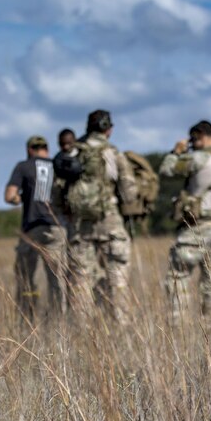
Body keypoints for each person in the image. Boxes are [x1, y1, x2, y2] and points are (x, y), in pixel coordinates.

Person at [159, 120, 211, 326]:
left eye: (193, 139)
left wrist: (176, 152)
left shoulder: (199, 158)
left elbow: (167, 170)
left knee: (178, 276)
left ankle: (178, 329)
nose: (192, 144)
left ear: (201, 136)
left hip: (198, 226)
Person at [66, 109, 137, 320]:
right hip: (111, 224)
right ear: (108, 129)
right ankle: (120, 327)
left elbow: (58, 192)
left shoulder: (73, 153)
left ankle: (83, 333)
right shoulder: (113, 153)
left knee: (80, 281)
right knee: (118, 280)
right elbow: (129, 193)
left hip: (80, 227)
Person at [5, 135, 67, 319]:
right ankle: (59, 320)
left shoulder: (23, 166)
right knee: (57, 279)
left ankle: (27, 318)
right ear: (46, 149)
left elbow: (10, 196)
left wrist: (22, 198)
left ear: (29, 150)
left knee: (26, 277)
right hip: (56, 228)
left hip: (31, 228)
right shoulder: (57, 165)